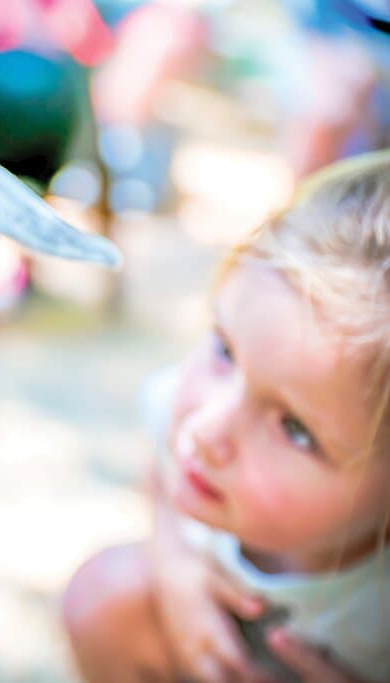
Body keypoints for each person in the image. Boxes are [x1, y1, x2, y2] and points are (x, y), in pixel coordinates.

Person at [62, 152, 390, 683]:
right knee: (105, 593)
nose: (208, 430)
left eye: (296, 430)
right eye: (225, 352)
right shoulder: (202, 418)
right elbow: (163, 466)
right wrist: (175, 569)